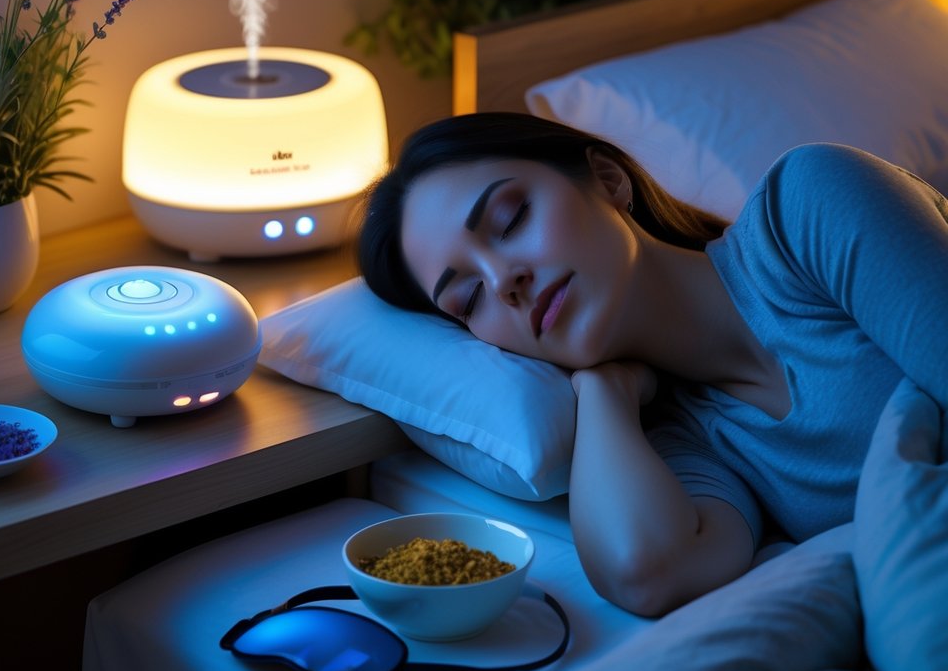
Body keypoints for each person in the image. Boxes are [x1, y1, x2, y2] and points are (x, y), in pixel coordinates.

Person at [357, 111, 948, 616]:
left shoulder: (806, 206)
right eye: (469, 300)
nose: (503, 280)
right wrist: (603, 393)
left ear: (608, 180)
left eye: (511, 219)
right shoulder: (684, 441)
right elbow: (646, 572)